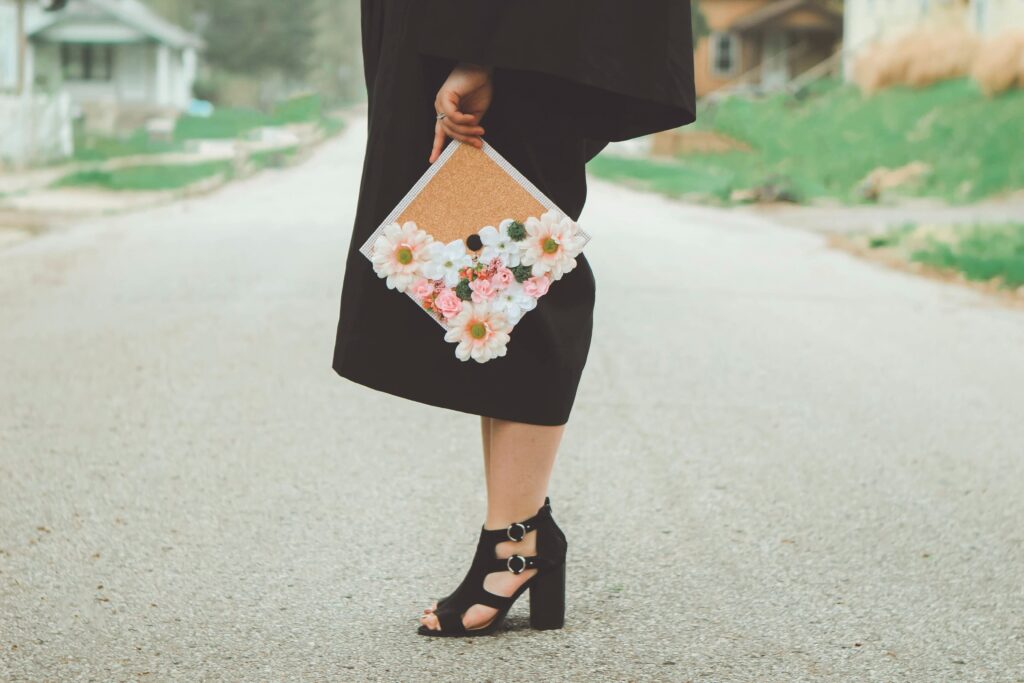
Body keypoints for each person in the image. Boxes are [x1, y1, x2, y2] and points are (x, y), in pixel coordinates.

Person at [332, 0, 696, 637]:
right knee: (487, 293)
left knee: (523, 270)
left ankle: (516, 545)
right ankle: (521, 527)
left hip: (516, 41)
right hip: (464, 38)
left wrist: (485, 54)